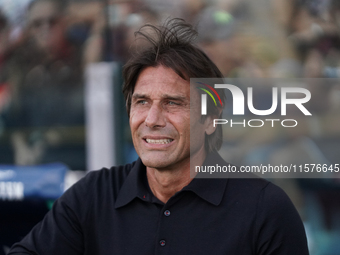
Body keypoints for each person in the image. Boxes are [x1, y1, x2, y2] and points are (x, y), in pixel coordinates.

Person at [8, 18, 309, 254]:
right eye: (142, 102)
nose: (152, 120)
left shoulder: (265, 209)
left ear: (210, 119)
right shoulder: (92, 196)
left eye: (172, 103)